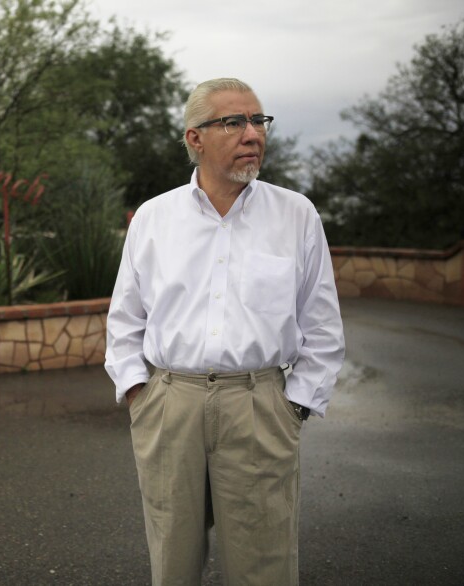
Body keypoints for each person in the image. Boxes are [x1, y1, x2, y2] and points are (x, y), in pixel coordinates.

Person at [104, 78, 345, 585]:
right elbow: (125, 317)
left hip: (259, 405)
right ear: (195, 139)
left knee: (264, 565)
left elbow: (322, 325)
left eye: (258, 121)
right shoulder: (154, 217)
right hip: (170, 404)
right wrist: (138, 393)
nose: (252, 133)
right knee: (173, 561)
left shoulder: (295, 214)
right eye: (234, 122)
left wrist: (294, 404)